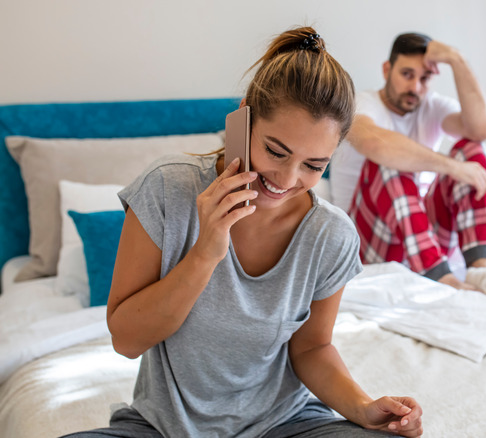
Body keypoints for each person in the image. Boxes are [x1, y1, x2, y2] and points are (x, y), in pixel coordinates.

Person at [62, 27, 422, 438]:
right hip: (162, 428)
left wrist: (363, 407)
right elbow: (126, 340)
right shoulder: (167, 189)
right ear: (243, 118)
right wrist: (205, 253)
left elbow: (311, 348)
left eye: (314, 165)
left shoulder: (331, 235)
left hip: (284, 424)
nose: (287, 179)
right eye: (275, 151)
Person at [328, 32, 486, 291]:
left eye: (424, 78)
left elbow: (480, 130)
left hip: (422, 240)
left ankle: (482, 271)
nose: (415, 87)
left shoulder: (430, 106)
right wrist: (452, 166)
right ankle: (442, 279)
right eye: (407, 75)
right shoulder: (360, 104)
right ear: (387, 70)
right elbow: (376, 145)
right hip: (369, 240)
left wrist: (456, 59)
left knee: (472, 149)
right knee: (390, 158)